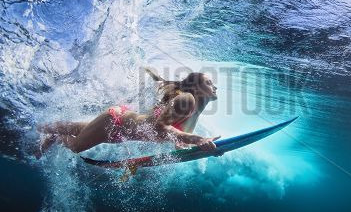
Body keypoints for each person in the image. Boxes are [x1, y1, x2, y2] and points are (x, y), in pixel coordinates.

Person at [36, 68, 220, 158]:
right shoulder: (187, 100)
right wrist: (197, 139)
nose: (215, 86)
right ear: (196, 87)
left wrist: (201, 147)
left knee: (76, 128)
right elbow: (159, 127)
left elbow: (177, 139)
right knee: (75, 146)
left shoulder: (194, 111)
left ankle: (39, 127)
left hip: (120, 130)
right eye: (209, 83)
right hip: (114, 124)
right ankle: (55, 136)